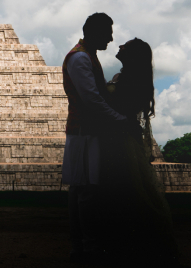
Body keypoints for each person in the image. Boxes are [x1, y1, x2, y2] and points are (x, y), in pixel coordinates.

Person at [100, 38, 177, 262]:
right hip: (124, 136)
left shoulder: (129, 80)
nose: (119, 45)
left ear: (132, 54)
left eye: (125, 45)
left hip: (122, 139)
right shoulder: (132, 78)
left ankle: (133, 245)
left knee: (127, 189)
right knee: (132, 190)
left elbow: (118, 107)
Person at [61, 13, 130, 262]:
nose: (112, 38)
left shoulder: (86, 56)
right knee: (86, 191)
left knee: (80, 189)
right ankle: (86, 247)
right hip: (84, 131)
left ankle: (81, 245)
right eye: (108, 32)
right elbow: (91, 99)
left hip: (84, 130)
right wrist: (119, 119)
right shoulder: (80, 57)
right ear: (95, 32)